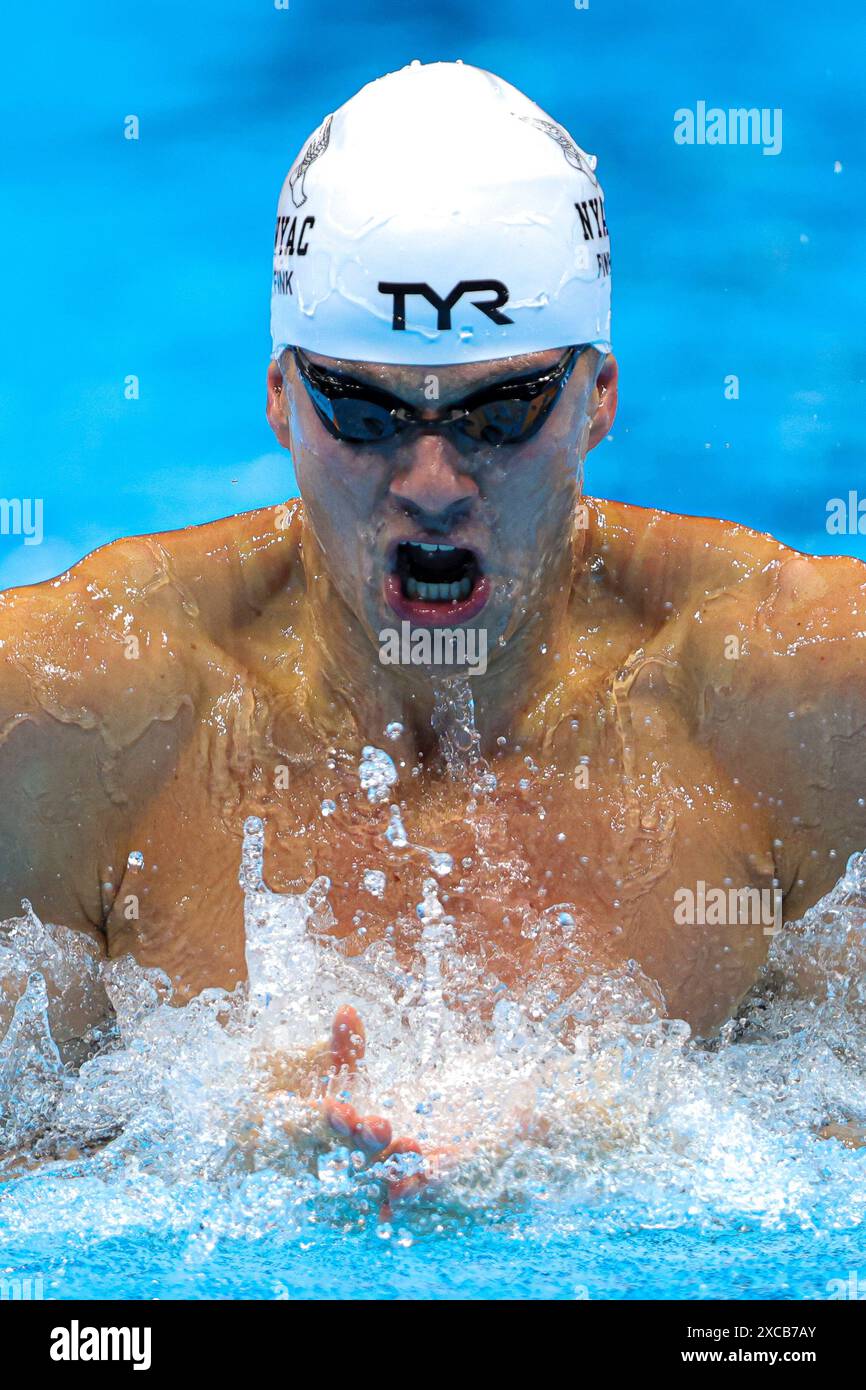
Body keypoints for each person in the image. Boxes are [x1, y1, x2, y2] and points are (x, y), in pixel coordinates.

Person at [2, 62, 865, 1193]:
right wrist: (203, 1152)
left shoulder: (794, 695)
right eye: (363, 410)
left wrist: (608, 1151)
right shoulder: (69, 711)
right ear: (277, 397)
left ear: (598, 396)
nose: (432, 480)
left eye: (497, 412)